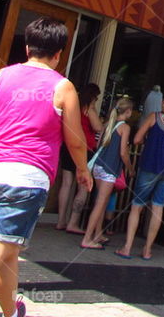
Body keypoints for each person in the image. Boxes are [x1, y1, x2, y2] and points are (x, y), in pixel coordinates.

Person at [0, 17, 92, 317]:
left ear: (27, 47)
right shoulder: (63, 87)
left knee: (5, 251)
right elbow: (75, 140)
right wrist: (82, 169)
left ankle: (11, 311)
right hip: (25, 179)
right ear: (59, 54)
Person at [115, 89, 164, 260]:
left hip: (149, 165)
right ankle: (147, 250)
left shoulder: (153, 117)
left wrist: (150, 140)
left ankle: (127, 247)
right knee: (157, 207)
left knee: (137, 205)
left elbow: (136, 140)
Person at [80, 97, 134, 249]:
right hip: (110, 168)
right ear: (128, 112)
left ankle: (97, 233)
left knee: (101, 201)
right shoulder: (125, 128)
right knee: (100, 203)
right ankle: (87, 238)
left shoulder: (107, 125)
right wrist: (130, 168)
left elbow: (98, 145)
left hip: (98, 166)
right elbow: (123, 152)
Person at [55, 83, 102, 233]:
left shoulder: (72, 105)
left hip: (67, 145)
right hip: (85, 148)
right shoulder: (89, 108)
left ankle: (61, 220)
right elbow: (98, 127)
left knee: (66, 183)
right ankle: (73, 223)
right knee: (83, 186)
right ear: (93, 96)